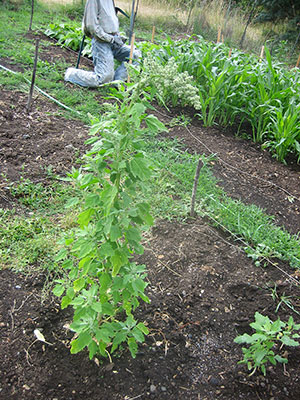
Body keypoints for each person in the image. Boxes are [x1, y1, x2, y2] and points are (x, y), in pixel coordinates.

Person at [65, 0, 140, 87]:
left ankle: (117, 82)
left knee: (134, 55)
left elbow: (108, 20)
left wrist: (118, 36)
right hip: (101, 43)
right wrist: (110, 38)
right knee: (103, 78)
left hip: (114, 41)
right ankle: (71, 74)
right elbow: (91, 26)